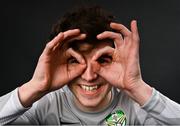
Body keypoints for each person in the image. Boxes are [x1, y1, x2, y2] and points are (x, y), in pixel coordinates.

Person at [0, 5, 180, 125]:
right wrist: (33, 87)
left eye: (102, 60)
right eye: (75, 61)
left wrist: (137, 87)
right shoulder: (45, 105)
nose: (89, 75)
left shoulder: (137, 107)